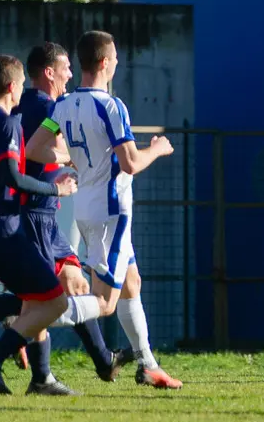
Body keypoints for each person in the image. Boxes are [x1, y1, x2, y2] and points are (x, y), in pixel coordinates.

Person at [27, 31, 182, 389]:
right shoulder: (111, 106)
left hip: (86, 208)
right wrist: (158, 148)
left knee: (132, 283)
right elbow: (130, 163)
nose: (116, 65)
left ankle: (148, 365)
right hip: (112, 212)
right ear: (103, 63)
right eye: (114, 59)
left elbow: (34, 149)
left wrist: (74, 159)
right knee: (105, 302)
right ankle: (34, 321)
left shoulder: (61, 106)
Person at [0, 55, 103, 394]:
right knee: (53, 302)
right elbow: (13, 177)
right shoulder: (8, 123)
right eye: (21, 84)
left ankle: (39, 376)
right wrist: (58, 188)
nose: (23, 90)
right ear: (12, 87)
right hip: (1, 230)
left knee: (32, 300)